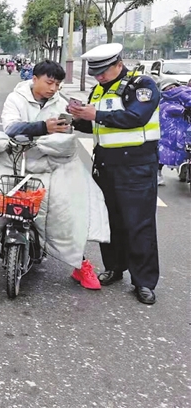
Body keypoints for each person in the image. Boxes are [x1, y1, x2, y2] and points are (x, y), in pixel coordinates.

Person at [71, 43, 161, 305]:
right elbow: (98, 126)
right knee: (109, 221)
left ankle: (143, 282)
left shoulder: (141, 84)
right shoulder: (99, 89)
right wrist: (78, 118)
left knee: (139, 224)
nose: (99, 77)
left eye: (103, 71)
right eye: (95, 72)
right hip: (105, 165)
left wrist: (96, 113)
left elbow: (136, 117)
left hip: (136, 166)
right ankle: (114, 267)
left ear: (118, 64)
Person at [1, 59, 101, 290]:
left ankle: (80, 263)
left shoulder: (60, 102)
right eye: (49, 82)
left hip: (52, 165)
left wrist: (77, 119)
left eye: (57, 84)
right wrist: (43, 128)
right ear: (34, 79)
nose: (53, 88)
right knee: (0, 204)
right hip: (19, 162)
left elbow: (72, 130)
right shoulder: (16, 98)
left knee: (63, 215)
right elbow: (10, 128)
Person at [157, 79, 191, 185]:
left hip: (184, 132)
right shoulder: (164, 102)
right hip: (169, 134)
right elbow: (168, 109)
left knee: (184, 153)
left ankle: (184, 171)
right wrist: (183, 110)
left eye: (174, 87)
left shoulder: (184, 96)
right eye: (169, 88)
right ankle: (158, 173)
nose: (173, 89)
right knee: (164, 155)